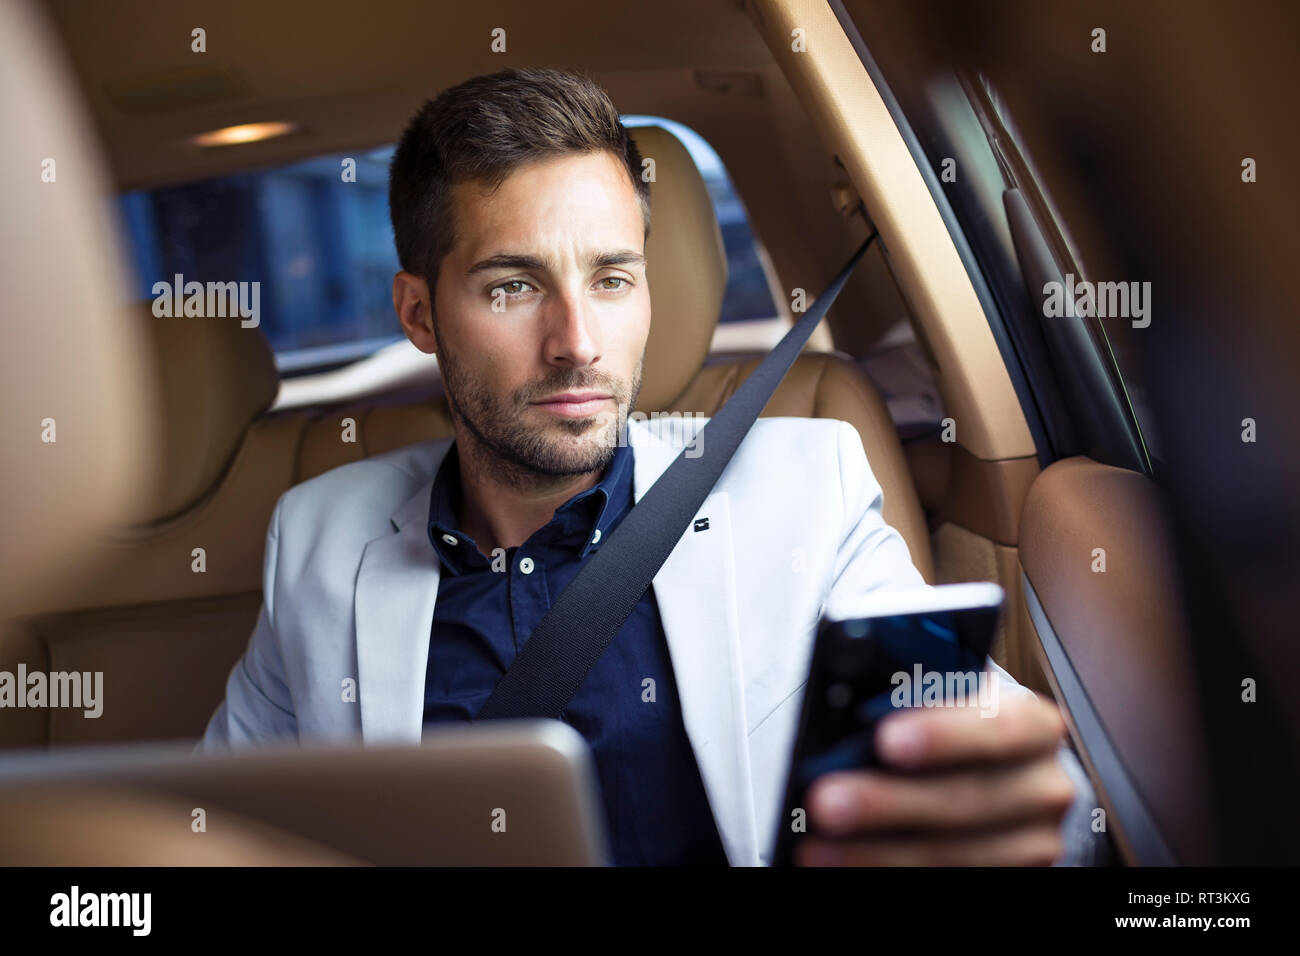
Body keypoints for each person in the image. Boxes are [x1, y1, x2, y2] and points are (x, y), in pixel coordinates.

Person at [200, 67, 1098, 867]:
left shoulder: (801, 488)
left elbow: (1016, 780)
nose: (577, 345)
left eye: (612, 278)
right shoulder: (318, 541)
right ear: (420, 314)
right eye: (512, 286)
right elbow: (212, 831)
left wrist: (1013, 797)